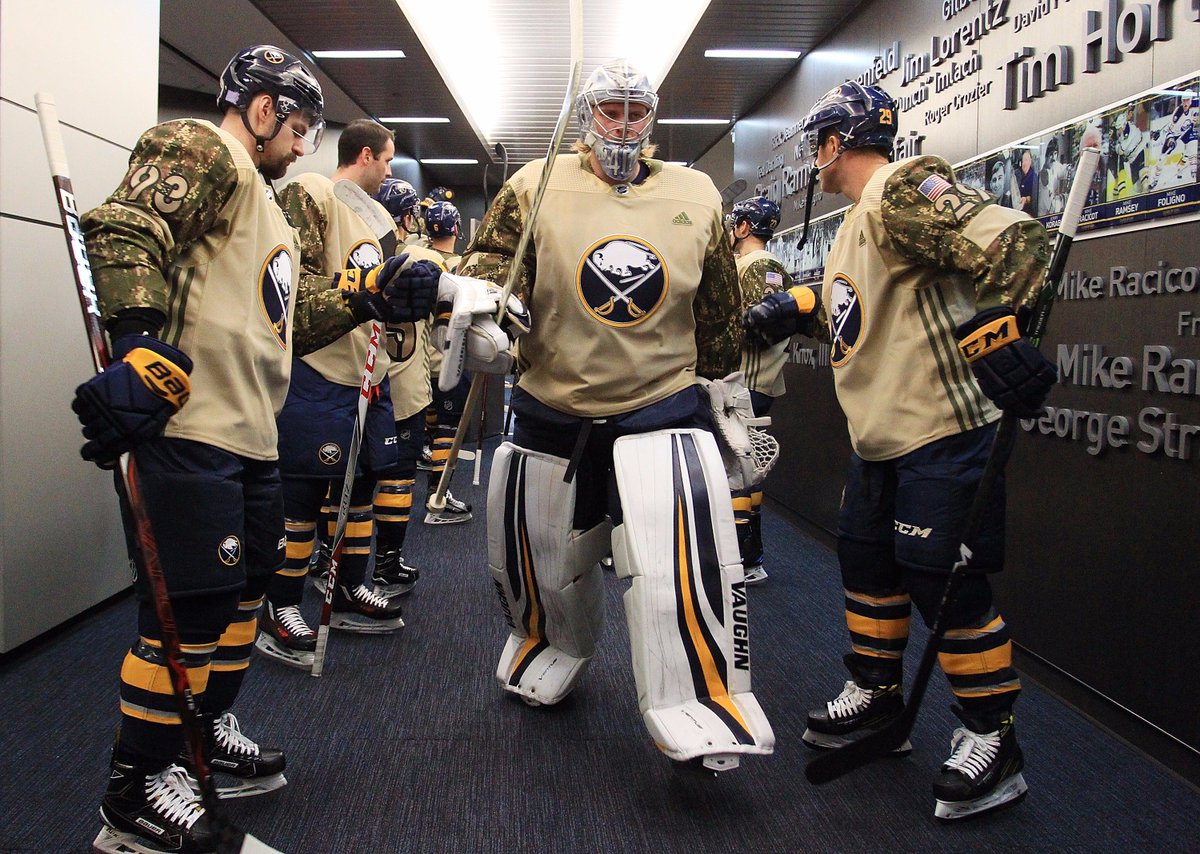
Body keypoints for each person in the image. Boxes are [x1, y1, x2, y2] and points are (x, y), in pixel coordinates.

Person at [75, 45, 438, 853]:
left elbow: (290, 318)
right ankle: (135, 789)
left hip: (252, 432)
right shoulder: (203, 149)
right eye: (301, 126)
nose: (304, 144)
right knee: (194, 606)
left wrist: (366, 292)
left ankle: (199, 735)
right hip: (193, 426)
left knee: (246, 594)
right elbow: (129, 226)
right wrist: (136, 343)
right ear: (263, 108)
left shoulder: (268, 209)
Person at [744, 81, 1054, 818]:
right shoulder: (861, 220)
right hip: (881, 440)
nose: (811, 163)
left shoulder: (899, 188)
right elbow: (860, 312)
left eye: (814, 147)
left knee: (942, 582)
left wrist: (999, 333)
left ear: (832, 144)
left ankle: (993, 738)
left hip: (941, 432)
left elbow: (1019, 243)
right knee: (867, 561)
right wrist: (799, 306)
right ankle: (879, 698)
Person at [457, 58, 774, 772]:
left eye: (637, 110)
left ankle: (702, 691)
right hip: (551, 406)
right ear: (585, 114)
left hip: (660, 404)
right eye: (610, 109)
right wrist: (482, 313)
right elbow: (492, 266)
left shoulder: (695, 192)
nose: (624, 125)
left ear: (653, 117)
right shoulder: (533, 185)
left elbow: (720, 312)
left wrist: (728, 397)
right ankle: (548, 642)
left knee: (679, 559)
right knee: (540, 558)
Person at [256, 119, 419, 670]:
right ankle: (280, 606)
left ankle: (347, 585)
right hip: (317, 371)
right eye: (389, 160)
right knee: (302, 493)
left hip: (368, 377)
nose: (391, 171)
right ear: (366, 155)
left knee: (362, 490)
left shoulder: (377, 219)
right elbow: (294, 283)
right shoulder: (312, 191)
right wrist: (366, 290)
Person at [725, 195, 794, 584]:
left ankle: (746, 560)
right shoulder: (751, 265)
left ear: (746, 226)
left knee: (739, 472)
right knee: (741, 471)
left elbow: (759, 328)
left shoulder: (759, 265)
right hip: (748, 383)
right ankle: (746, 558)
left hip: (748, 383)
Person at [420, 198, 474, 524]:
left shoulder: (411, 254)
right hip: (448, 359)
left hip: (417, 361)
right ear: (455, 228)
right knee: (448, 431)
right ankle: (437, 499)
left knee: (431, 422)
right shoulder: (461, 267)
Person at [1016, 148, 1039, 216]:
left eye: (1026, 160)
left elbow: (1035, 196)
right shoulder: (1020, 176)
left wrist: (1026, 199)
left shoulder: (1033, 177)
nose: (1024, 163)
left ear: (1031, 162)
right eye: (1023, 161)